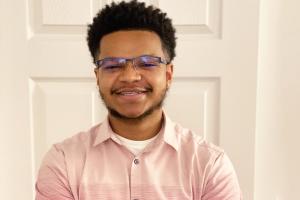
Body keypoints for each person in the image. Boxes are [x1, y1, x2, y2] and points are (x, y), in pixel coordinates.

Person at [35, 1, 242, 199]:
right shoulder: (63, 162)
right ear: (97, 76)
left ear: (168, 75)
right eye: (112, 65)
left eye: (147, 63)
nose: (129, 77)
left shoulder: (209, 165)